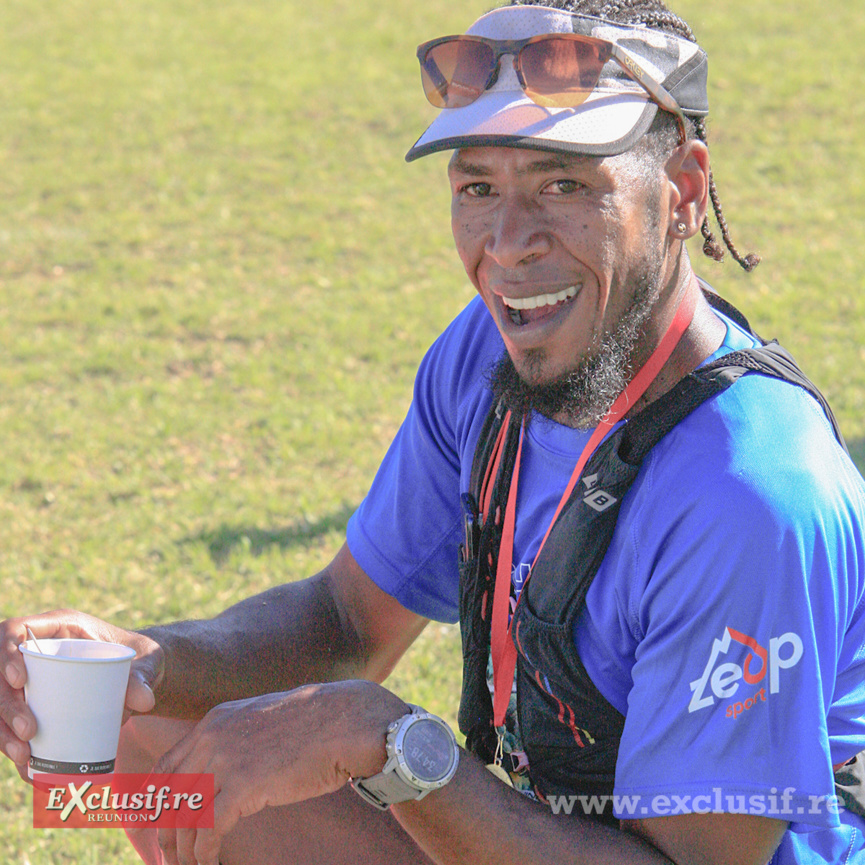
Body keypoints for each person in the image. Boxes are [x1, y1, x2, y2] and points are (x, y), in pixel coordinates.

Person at [2, 1, 864, 863]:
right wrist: (149, 661)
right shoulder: (488, 354)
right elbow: (344, 620)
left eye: (564, 185)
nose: (508, 245)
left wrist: (387, 741)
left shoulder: (749, 493)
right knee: (140, 734)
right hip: (554, 833)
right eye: (477, 187)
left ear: (681, 191)